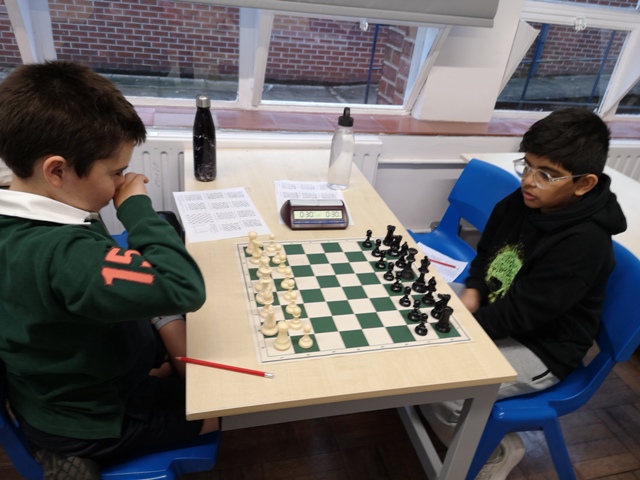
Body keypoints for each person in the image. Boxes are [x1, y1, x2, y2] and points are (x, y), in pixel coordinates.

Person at [0, 60, 218, 479]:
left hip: (53, 384)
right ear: (57, 170)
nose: (122, 181)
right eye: (116, 172)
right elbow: (183, 286)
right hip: (91, 417)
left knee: (171, 348)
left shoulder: (29, 209)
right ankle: (74, 451)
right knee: (219, 408)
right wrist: (137, 208)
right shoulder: (65, 255)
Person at [421, 107, 627, 479]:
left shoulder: (584, 242)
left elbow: (523, 315)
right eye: (527, 166)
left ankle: (496, 452)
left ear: (584, 184)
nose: (529, 181)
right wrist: (473, 290)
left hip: (543, 346)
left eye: (546, 174)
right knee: (417, 304)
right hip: (498, 310)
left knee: (442, 386)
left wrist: (459, 329)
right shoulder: (523, 200)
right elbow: (487, 251)